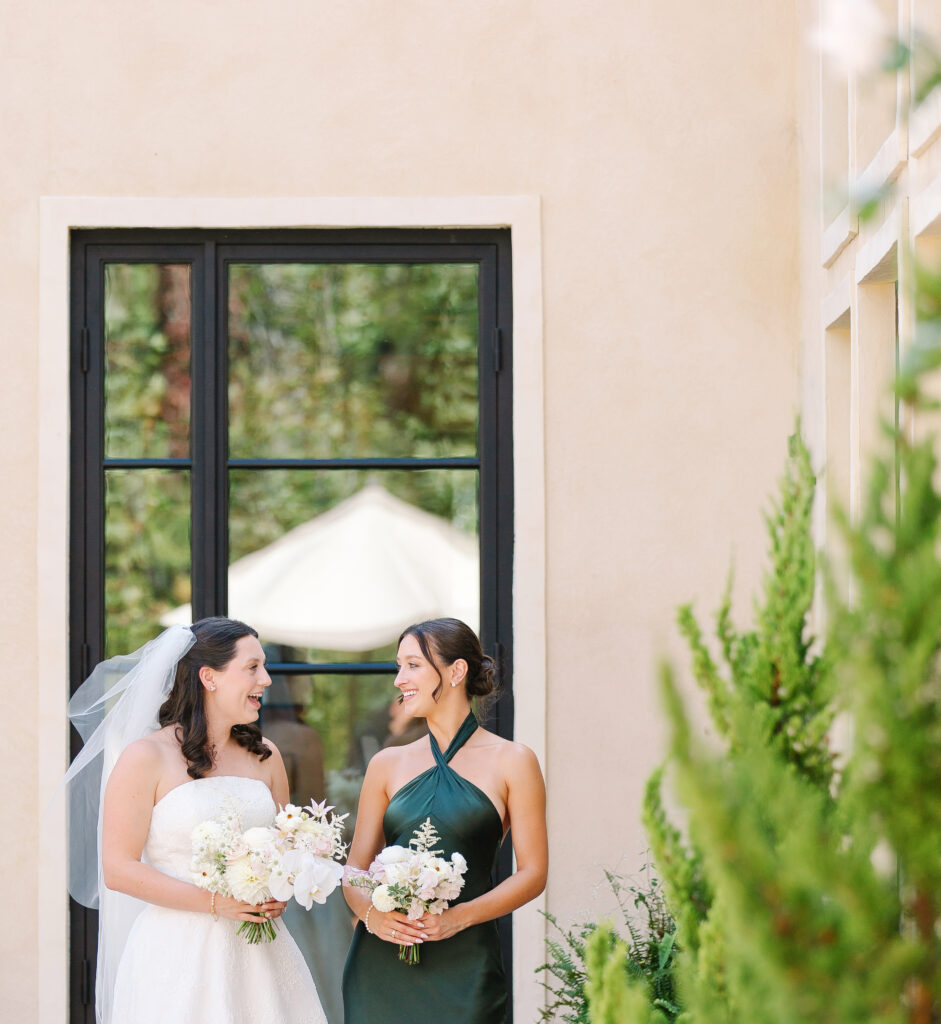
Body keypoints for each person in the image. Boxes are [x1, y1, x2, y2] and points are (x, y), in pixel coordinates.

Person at [62, 618, 328, 1024]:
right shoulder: (145, 757)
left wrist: (282, 883)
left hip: (259, 953)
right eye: (253, 667)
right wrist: (219, 903)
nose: (268, 680)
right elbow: (117, 869)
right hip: (177, 953)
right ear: (210, 677)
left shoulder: (266, 756)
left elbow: (286, 848)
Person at [341, 617, 548, 1024]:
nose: (400, 679)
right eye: (398, 666)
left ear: (456, 671)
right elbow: (354, 870)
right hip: (381, 966)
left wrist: (457, 918)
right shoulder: (386, 764)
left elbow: (533, 873)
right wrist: (373, 917)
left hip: (466, 965)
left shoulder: (513, 761)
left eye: (413, 665)